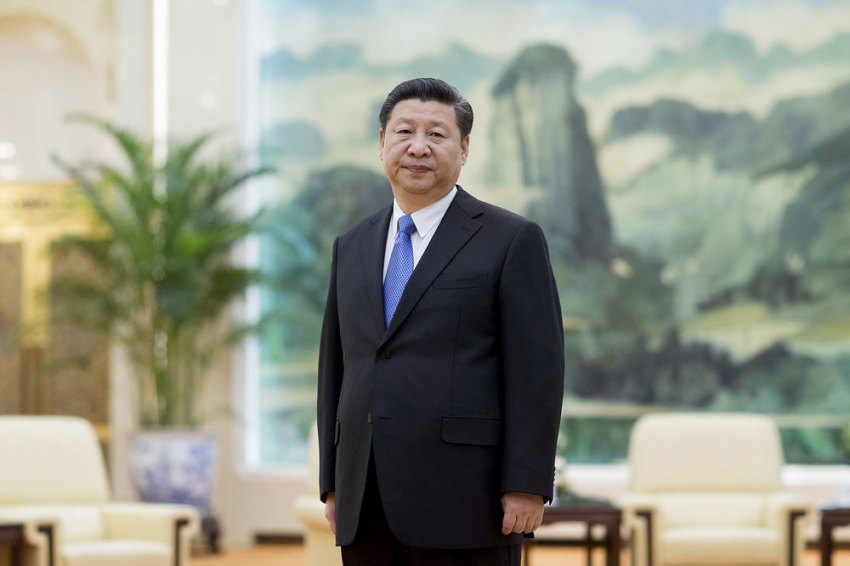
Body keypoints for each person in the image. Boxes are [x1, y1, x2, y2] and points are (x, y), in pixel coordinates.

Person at [317, 77, 565, 566]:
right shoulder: (352, 245)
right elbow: (337, 370)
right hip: (365, 497)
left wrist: (527, 483)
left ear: (464, 148)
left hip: (467, 498)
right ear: (382, 142)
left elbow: (537, 373)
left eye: (436, 134)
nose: (418, 147)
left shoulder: (511, 239)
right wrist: (332, 482)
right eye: (404, 132)